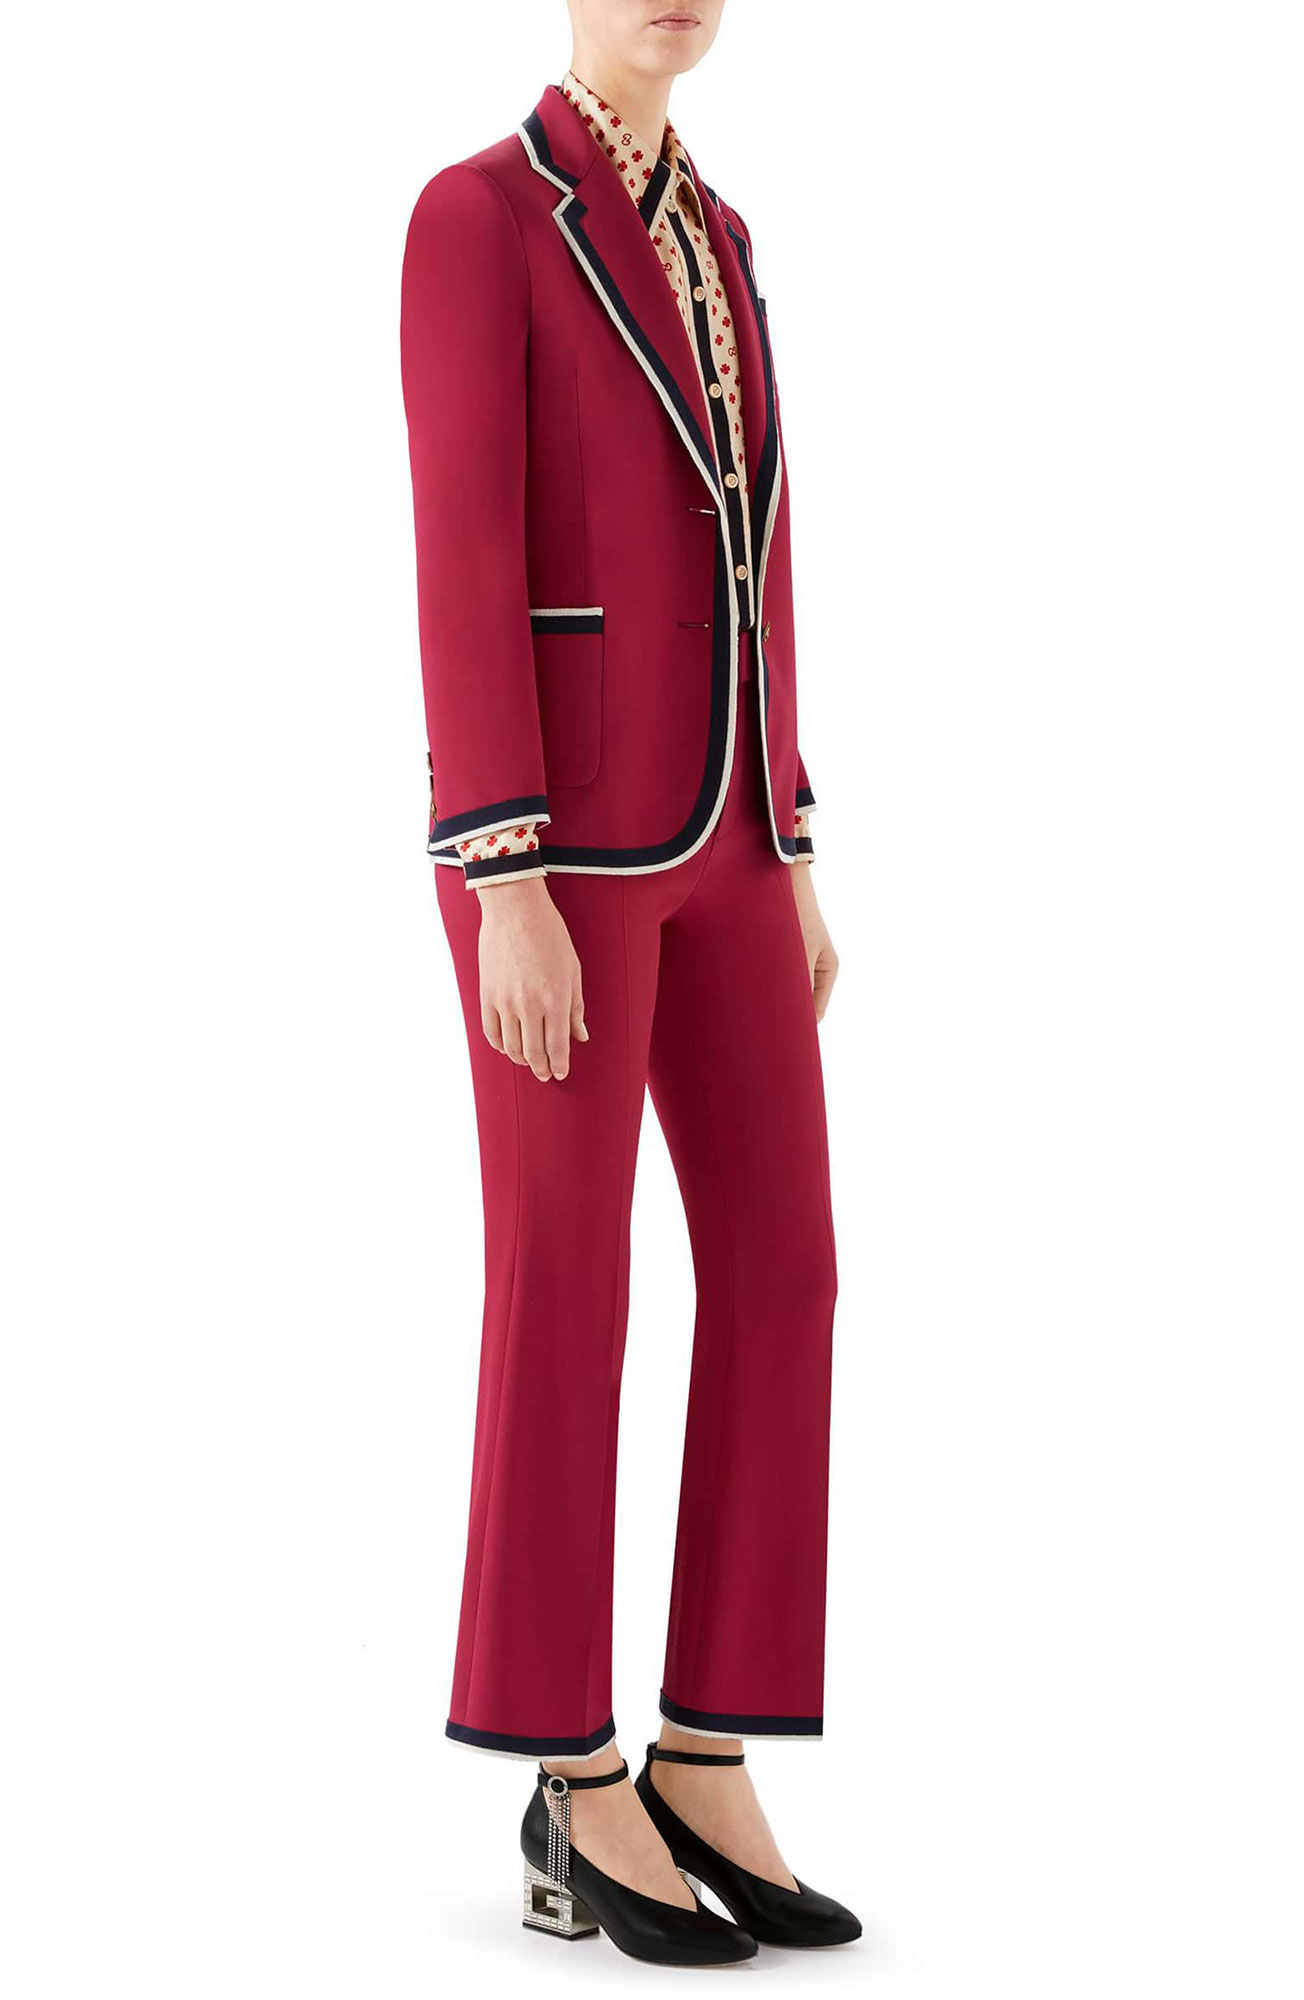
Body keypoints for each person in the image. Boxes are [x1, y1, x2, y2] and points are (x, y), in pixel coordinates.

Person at [400, 0, 860, 1964]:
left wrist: (795, 831)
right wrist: (499, 866)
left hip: (732, 831)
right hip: (562, 856)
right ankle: (564, 1764)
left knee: (784, 1269)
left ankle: (705, 1746)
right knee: (565, 1280)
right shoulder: (477, 217)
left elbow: (758, 542)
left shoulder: (727, 234)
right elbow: (462, 542)